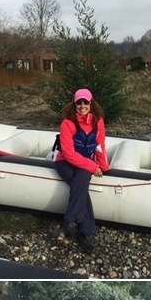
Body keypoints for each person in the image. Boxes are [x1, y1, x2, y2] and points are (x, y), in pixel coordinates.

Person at [54, 88, 110, 254]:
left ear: (91, 103)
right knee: (82, 184)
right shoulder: (68, 123)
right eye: (79, 102)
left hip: (84, 162)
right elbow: (69, 154)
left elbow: (99, 145)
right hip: (65, 162)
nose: (82, 105)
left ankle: (71, 222)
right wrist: (93, 166)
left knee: (83, 178)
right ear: (74, 104)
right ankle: (84, 230)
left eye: (86, 102)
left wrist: (103, 166)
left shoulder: (98, 121)